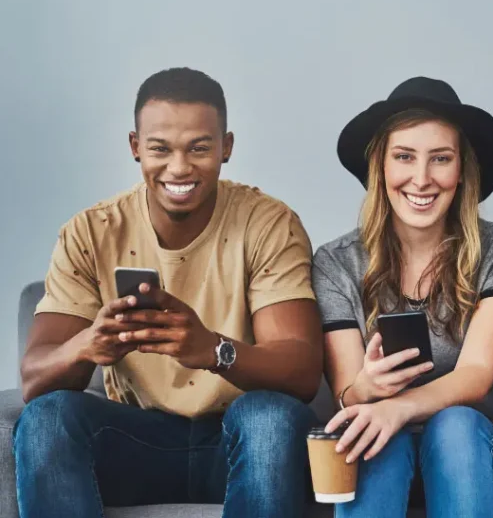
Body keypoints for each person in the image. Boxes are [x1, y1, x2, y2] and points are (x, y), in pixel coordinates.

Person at [14, 68, 324, 518]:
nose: (179, 167)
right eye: (160, 149)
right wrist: (88, 346)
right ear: (136, 147)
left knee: (269, 417)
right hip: (136, 440)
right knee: (45, 421)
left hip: (239, 439)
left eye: (199, 148)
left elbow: (302, 372)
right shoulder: (91, 231)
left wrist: (213, 349)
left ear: (226, 147)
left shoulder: (268, 224)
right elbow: (34, 379)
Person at [313, 77, 493, 517]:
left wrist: (398, 408)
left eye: (440, 159)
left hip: (474, 450)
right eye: (404, 157)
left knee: (453, 424)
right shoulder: (336, 262)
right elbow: (346, 393)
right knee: (375, 434)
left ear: (462, 169)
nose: (422, 178)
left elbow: (476, 376)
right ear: (380, 166)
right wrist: (367, 388)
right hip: (380, 448)